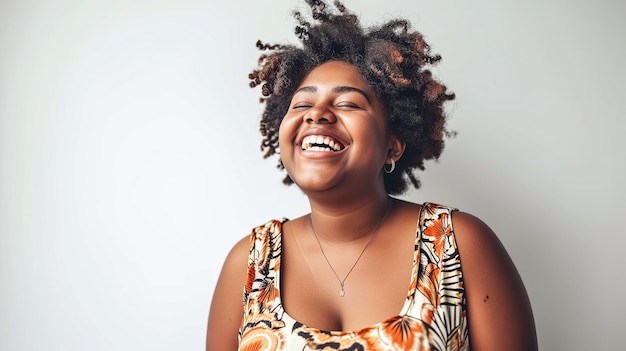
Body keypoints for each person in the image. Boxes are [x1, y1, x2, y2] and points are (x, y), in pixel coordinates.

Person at [206, 1, 537, 350]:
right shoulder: (249, 265)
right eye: (301, 104)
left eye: (347, 104)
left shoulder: (458, 245)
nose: (317, 114)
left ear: (393, 146)